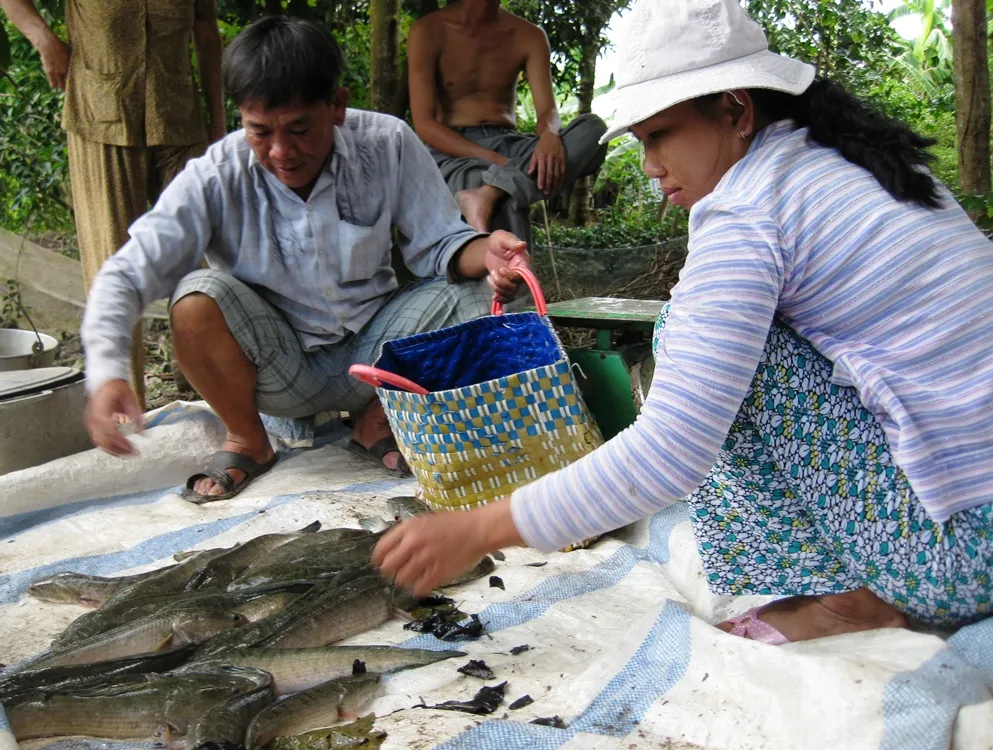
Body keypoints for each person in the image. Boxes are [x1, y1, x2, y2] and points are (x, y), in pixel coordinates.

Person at [373, 0, 993, 644]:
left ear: (735, 109)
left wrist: (477, 528)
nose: (650, 165)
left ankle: (846, 600)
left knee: (687, 333)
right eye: (641, 141)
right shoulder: (846, 159)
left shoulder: (746, 211)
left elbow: (672, 449)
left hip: (960, 555)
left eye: (660, 135)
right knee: (716, 335)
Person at [79, 17, 528, 503]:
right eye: (259, 131)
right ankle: (247, 438)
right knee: (195, 300)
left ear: (337, 105)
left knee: (478, 297)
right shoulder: (215, 176)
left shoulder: (388, 143)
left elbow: (443, 243)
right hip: (278, 368)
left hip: (378, 357)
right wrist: (106, 373)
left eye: (299, 129)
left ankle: (376, 421)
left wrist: (489, 252)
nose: (281, 152)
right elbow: (126, 274)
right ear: (241, 117)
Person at [0, 0, 226, 408]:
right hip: (100, 114)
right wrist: (44, 40)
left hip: (178, 112)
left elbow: (207, 32)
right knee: (111, 259)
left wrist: (218, 116)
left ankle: (221, 395)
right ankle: (124, 407)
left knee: (206, 259)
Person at [408, 0, 608, 246]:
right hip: (455, 150)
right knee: (499, 199)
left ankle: (490, 192)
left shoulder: (529, 35)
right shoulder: (428, 31)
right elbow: (425, 125)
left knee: (594, 130)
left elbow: (547, 111)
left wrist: (550, 134)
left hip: (511, 144)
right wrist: (493, 159)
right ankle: (498, 198)